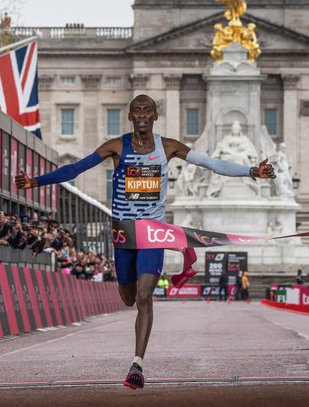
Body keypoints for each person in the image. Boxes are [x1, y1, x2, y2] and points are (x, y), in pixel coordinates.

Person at [15, 94, 275, 390]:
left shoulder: (169, 147)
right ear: (130, 116)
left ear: (154, 116)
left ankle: (137, 364)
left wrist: (251, 171)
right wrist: (35, 181)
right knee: (127, 296)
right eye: (136, 110)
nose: (141, 115)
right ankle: (133, 311)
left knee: (144, 296)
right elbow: (75, 169)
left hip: (153, 232)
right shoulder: (116, 147)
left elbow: (211, 163)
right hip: (124, 231)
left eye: (146, 110)